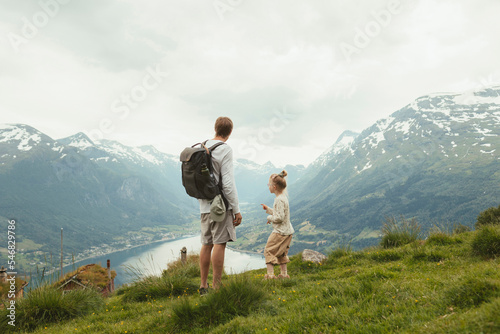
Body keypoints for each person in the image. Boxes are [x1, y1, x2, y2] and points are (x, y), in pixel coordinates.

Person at [198, 116, 242, 294]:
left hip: (203, 204)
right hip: (220, 205)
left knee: (206, 243)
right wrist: (236, 209)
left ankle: (203, 285)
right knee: (220, 243)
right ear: (230, 132)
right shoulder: (225, 149)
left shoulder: (201, 147)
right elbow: (228, 184)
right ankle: (216, 286)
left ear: (215, 128)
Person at [260, 170, 294, 279]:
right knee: (282, 253)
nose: (268, 186)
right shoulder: (283, 198)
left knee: (268, 251)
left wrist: (269, 217)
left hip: (280, 232)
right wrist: (269, 210)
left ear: (274, 187)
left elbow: (279, 218)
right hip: (288, 232)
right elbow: (279, 213)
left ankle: (270, 276)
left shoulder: (278, 200)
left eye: (269, 184)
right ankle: (284, 275)